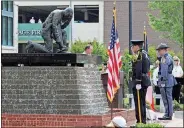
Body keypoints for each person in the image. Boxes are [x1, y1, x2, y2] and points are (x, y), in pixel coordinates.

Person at [131, 40, 151, 124]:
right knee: (142, 102)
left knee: (139, 102)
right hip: (144, 80)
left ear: (137, 46)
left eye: (133, 46)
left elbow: (139, 69)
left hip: (140, 81)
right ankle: (142, 120)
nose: (132, 48)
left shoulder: (140, 55)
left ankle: (140, 121)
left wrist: (138, 82)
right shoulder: (145, 54)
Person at [156, 43, 176, 120]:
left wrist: (163, 81)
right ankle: (168, 114)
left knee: (167, 99)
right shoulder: (168, 57)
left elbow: (164, 71)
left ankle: (167, 114)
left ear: (164, 50)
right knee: (168, 98)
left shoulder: (165, 58)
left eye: (160, 50)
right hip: (168, 80)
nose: (159, 52)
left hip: (166, 81)